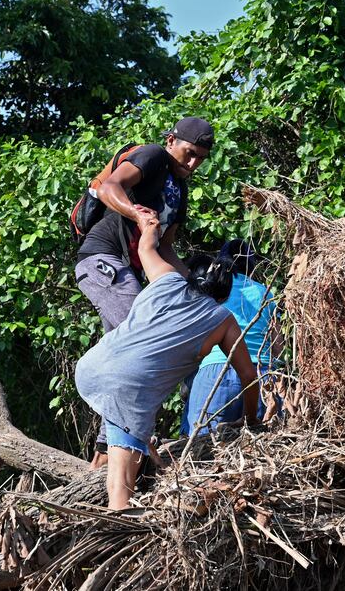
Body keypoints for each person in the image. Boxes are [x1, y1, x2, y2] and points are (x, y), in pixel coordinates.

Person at [75, 218, 260, 510]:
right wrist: (252, 421)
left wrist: (152, 222)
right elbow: (248, 376)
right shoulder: (223, 320)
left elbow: (148, 246)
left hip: (92, 367)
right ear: (222, 295)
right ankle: (116, 530)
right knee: (122, 491)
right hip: (129, 390)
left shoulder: (166, 278)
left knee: (119, 453)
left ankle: (120, 476)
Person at [74, 116, 214, 466]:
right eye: (189, 153)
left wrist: (197, 286)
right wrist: (136, 215)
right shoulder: (152, 157)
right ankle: (136, 441)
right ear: (171, 141)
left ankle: (105, 455)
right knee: (145, 340)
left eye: (201, 158)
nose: (193, 162)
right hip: (103, 259)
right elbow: (110, 188)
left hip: (129, 272)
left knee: (124, 358)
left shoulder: (179, 192)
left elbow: (165, 248)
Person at [181, 240, 283, 436]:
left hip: (216, 371)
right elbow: (277, 346)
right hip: (262, 375)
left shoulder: (214, 288)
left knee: (204, 449)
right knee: (260, 448)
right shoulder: (265, 292)